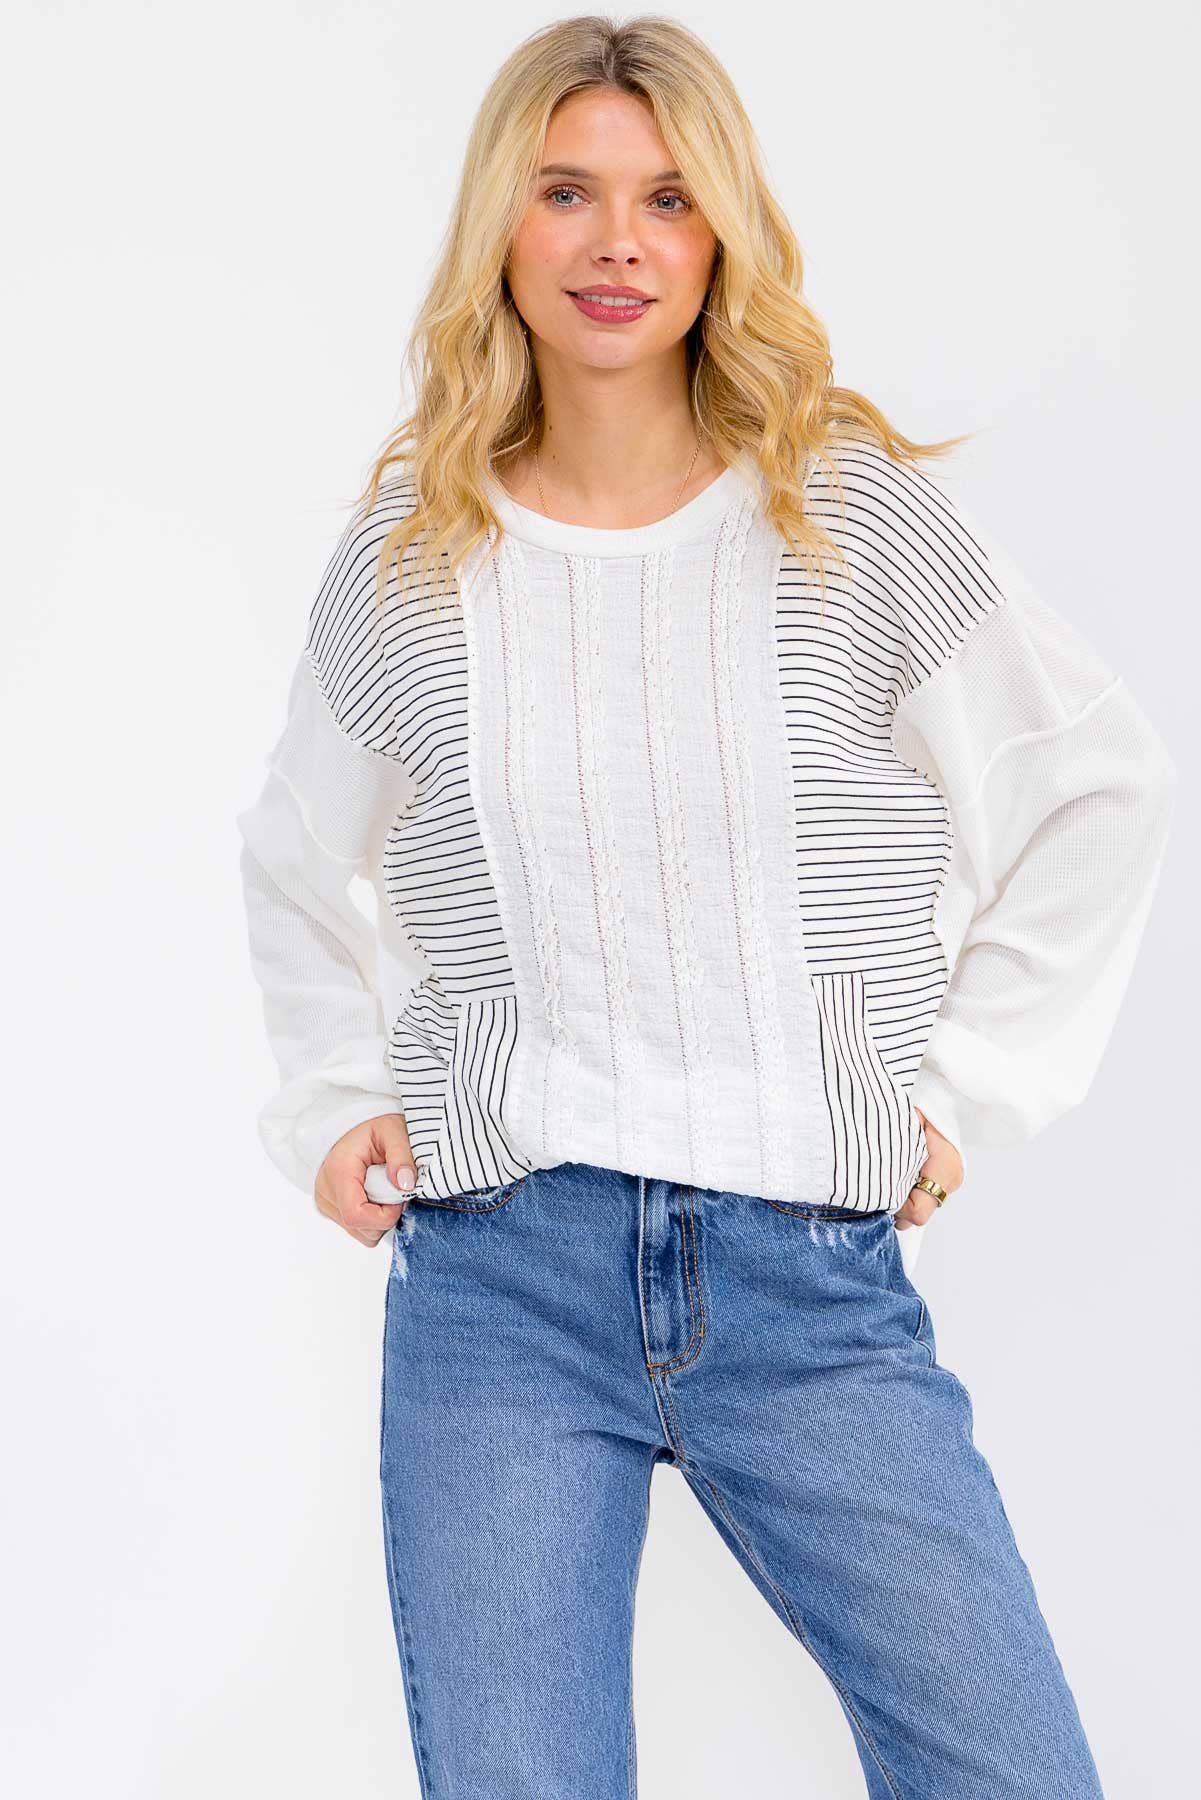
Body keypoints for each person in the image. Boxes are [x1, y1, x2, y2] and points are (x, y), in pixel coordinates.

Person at [235, 16, 1175, 1797]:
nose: (617, 242)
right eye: (565, 193)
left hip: (804, 1280)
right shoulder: (413, 555)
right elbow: (292, 852)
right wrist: (338, 1095)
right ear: (497, 227)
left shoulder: (846, 520)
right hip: (501, 1282)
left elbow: (1098, 784)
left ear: (723, 232)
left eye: (667, 199)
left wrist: (963, 1092)